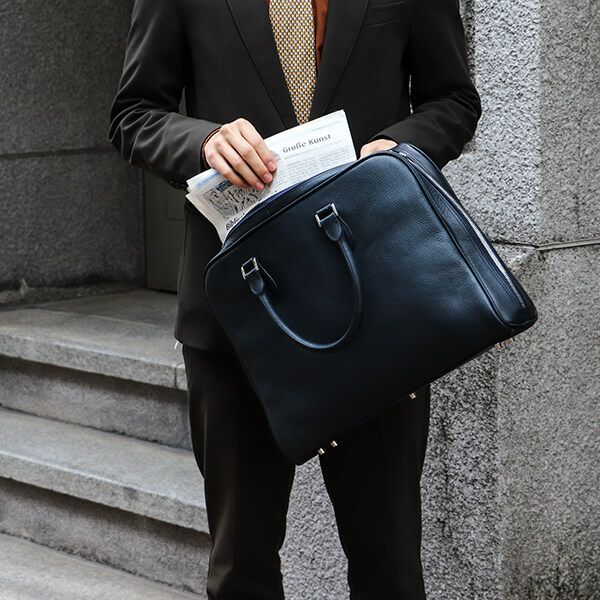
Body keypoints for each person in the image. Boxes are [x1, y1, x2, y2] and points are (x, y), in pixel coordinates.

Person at [109, 0, 481, 597]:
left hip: (377, 311)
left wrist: (399, 147)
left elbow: (454, 100)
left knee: (389, 567)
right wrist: (204, 142)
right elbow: (134, 116)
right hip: (237, 320)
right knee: (241, 569)